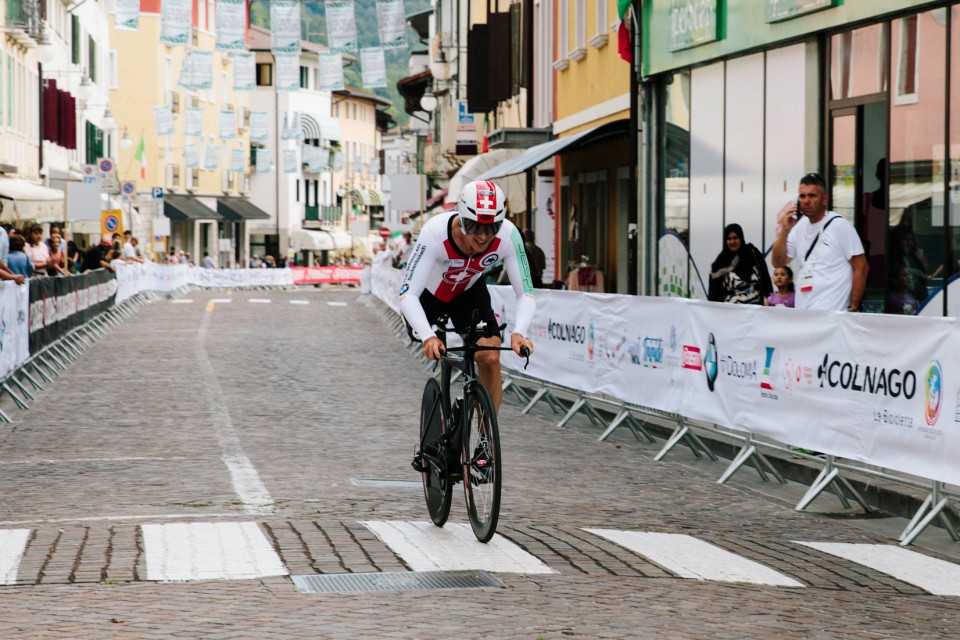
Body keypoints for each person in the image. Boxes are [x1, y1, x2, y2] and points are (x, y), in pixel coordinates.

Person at [399, 180, 536, 414]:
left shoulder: (509, 235)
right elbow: (408, 294)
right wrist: (428, 337)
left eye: (492, 227)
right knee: (433, 342)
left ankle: (485, 441)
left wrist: (519, 332)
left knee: (490, 357)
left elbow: (526, 292)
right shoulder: (435, 231)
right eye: (474, 226)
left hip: (468, 291)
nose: (483, 236)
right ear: (461, 218)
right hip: (429, 296)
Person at [772, 172, 868, 311]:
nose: (806, 201)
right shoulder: (798, 227)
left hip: (832, 315)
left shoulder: (839, 225)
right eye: (802, 196)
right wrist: (785, 231)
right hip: (804, 314)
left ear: (824, 199)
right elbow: (778, 262)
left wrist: (852, 308)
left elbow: (862, 267)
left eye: (812, 195)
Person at [707, 223, 772, 304]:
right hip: (731, 312)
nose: (732, 242)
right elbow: (714, 295)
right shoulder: (718, 265)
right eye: (729, 239)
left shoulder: (752, 253)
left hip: (756, 311)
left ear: (741, 238)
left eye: (735, 238)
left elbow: (765, 278)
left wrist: (770, 299)